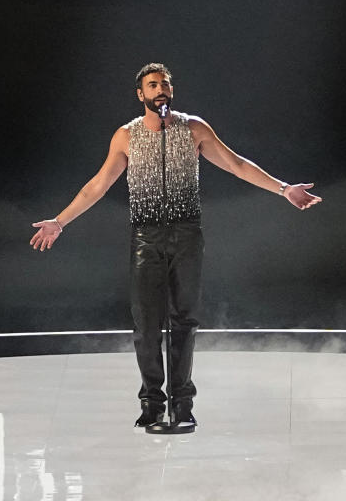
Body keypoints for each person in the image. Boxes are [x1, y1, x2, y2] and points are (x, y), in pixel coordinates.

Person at [30, 63, 321, 429]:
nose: (160, 89)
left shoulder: (193, 128)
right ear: (141, 94)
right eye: (152, 85)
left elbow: (235, 163)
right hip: (146, 238)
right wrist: (60, 221)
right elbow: (97, 186)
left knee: (185, 320)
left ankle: (183, 402)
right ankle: (152, 400)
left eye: (164, 83)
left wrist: (283, 188)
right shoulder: (126, 136)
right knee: (147, 324)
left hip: (185, 235)